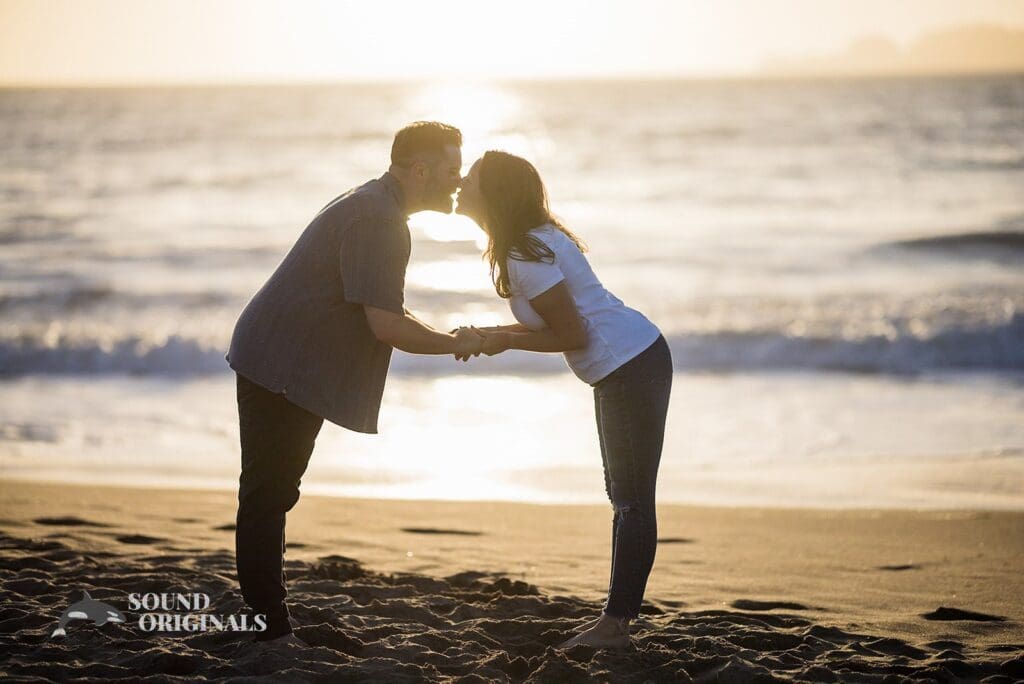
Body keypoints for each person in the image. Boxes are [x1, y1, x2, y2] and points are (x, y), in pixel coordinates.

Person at [225, 121, 484, 645]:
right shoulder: (380, 220)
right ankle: (269, 629)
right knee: (268, 494)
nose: (458, 182)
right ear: (419, 170)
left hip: (288, 358)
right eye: (452, 171)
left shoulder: (377, 206)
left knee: (272, 492)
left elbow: (380, 308)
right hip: (280, 361)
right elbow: (386, 325)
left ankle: (269, 621)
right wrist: (457, 341)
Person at [453, 150, 673, 650]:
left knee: (632, 501)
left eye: (472, 178)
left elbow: (570, 334)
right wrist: (492, 332)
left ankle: (615, 626)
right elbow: (562, 327)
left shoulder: (524, 251)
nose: (462, 183)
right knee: (625, 497)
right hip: (629, 361)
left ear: (496, 193)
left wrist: (503, 338)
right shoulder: (529, 243)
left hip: (630, 364)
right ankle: (616, 621)